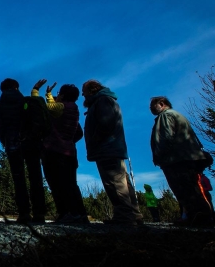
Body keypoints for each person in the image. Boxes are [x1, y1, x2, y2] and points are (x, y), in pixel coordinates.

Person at [82, 80, 142, 225]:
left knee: (114, 183)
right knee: (122, 182)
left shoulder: (102, 101)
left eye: (84, 91)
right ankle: (133, 214)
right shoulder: (105, 100)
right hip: (112, 147)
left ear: (91, 90)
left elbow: (105, 123)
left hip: (107, 148)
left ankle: (125, 216)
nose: (82, 94)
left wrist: (95, 139)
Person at [0, 78, 50, 223]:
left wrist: (4, 140)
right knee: (36, 176)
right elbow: (37, 122)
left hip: (12, 143)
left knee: (18, 178)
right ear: (16, 87)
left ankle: (24, 213)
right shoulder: (27, 102)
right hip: (31, 142)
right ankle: (39, 213)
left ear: (2, 90)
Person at [149, 96, 213, 226]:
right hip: (188, 157)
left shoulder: (166, 116)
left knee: (184, 189)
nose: (150, 109)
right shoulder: (179, 116)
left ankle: (198, 217)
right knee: (192, 188)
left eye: (152, 105)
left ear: (162, 104)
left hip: (176, 160)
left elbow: (166, 137)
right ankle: (199, 217)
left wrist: (160, 156)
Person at [40, 83, 89, 224]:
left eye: (59, 93)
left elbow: (50, 107)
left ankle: (67, 213)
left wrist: (47, 95)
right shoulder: (73, 111)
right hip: (69, 152)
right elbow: (79, 132)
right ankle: (79, 214)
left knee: (56, 183)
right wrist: (69, 140)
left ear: (62, 95)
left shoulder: (61, 109)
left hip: (54, 151)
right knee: (70, 183)